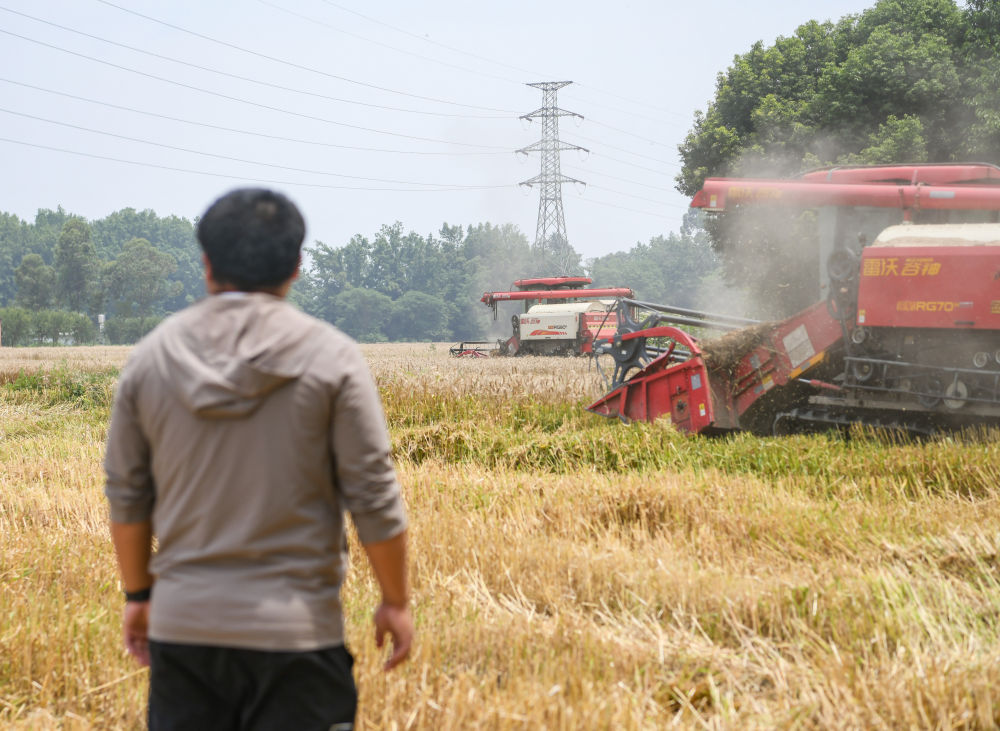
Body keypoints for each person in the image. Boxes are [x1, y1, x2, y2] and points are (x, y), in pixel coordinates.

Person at [104, 188, 412, 730]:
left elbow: (127, 495)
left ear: (206, 264)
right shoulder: (334, 359)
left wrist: (139, 594)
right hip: (299, 639)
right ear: (296, 265)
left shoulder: (150, 360)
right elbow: (374, 495)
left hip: (185, 637)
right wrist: (395, 601)